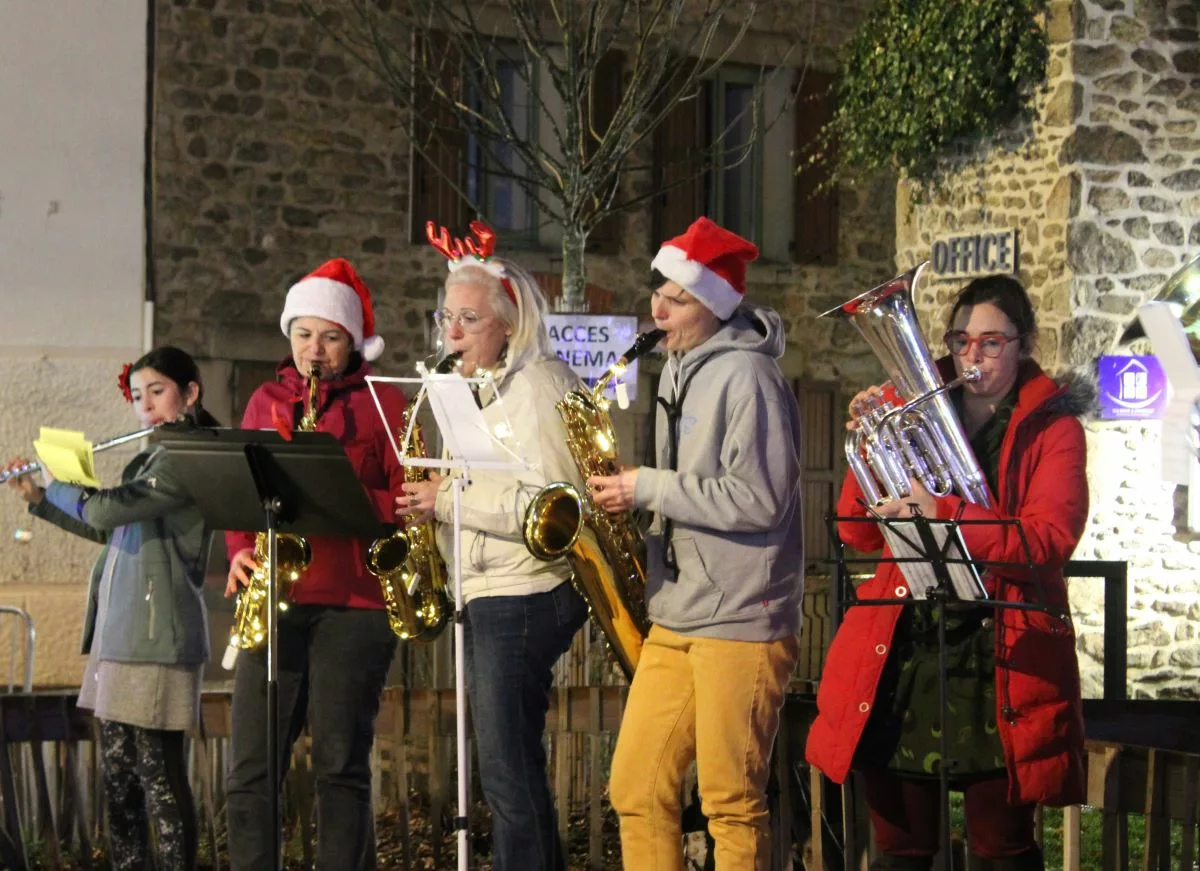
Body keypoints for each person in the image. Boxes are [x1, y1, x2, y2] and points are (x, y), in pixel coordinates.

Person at [805, 275, 1091, 871]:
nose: (972, 356)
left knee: (1001, 852)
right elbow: (858, 533)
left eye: (991, 343)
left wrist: (947, 512)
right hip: (904, 656)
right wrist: (869, 447)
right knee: (900, 851)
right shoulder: (911, 408)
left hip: (1000, 662)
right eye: (962, 341)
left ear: (1024, 344)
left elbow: (1049, 538)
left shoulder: (1053, 427)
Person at [588, 216, 805, 871]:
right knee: (634, 786)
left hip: (741, 616)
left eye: (676, 298)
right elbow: (687, 493)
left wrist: (648, 488)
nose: (657, 308)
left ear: (712, 303)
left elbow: (760, 499)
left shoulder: (749, 379)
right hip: (678, 611)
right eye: (658, 291)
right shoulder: (677, 373)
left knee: (730, 804)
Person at [398, 221, 589, 871]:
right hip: (484, 588)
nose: (449, 332)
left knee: (509, 769)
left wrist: (443, 500)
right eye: (444, 316)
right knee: (500, 767)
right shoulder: (471, 390)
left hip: (526, 590)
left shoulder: (537, 387)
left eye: (468, 318)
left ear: (507, 322)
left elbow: (553, 509)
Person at [3, 346, 219, 871]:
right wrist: (39, 499)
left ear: (190, 394)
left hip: (157, 635)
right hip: (121, 632)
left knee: (159, 776)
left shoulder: (187, 457)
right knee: (119, 779)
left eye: (158, 391)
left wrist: (61, 482)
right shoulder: (149, 457)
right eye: (139, 395)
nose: (146, 404)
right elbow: (107, 526)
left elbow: (104, 505)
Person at [223, 258, 408, 870]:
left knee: (339, 767)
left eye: (329, 336)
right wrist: (240, 551)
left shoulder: (382, 403)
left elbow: (410, 498)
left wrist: (342, 496)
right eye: (304, 334)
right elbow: (238, 495)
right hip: (276, 599)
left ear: (352, 342)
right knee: (251, 768)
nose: (314, 350)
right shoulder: (265, 399)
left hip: (353, 602)